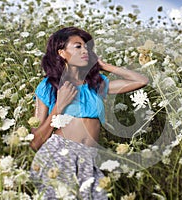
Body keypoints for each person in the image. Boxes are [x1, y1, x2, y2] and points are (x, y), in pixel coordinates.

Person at [29, 27, 149, 199]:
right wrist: (59, 106)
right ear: (62, 53)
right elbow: (35, 142)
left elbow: (141, 80)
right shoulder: (49, 85)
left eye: (86, 46)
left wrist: (104, 66)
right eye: (78, 46)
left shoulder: (96, 84)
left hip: (89, 157)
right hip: (59, 155)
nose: (85, 50)